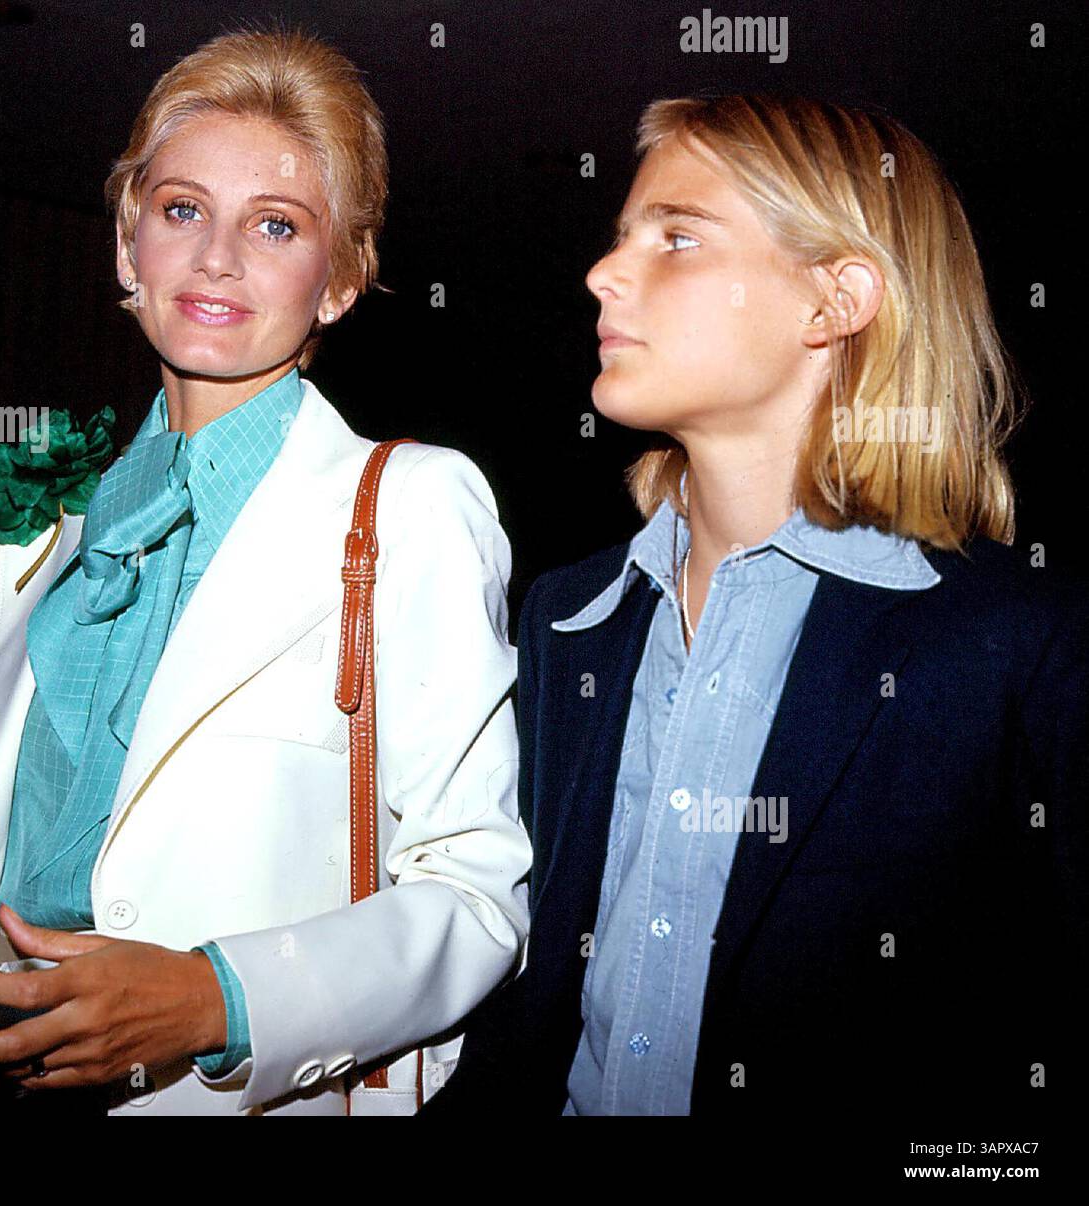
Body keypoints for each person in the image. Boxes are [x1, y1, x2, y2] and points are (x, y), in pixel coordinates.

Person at [0, 27, 530, 1117]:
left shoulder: (409, 505)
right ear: (124, 244)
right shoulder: (56, 518)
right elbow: (31, 860)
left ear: (339, 282)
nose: (216, 259)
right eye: (182, 209)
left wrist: (215, 1001)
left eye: (276, 226)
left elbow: (477, 901)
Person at [423, 94, 1087, 1119]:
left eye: (677, 237)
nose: (603, 273)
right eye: (619, 239)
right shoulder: (567, 620)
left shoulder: (1027, 648)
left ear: (833, 302)